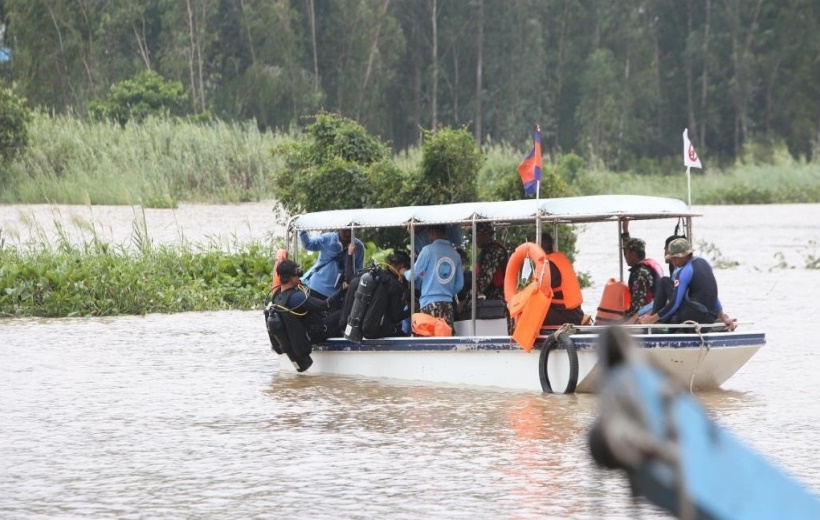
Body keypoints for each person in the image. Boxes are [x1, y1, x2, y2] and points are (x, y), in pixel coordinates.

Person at [638, 238, 736, 331]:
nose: (673, 262)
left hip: (693, 320)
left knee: (664, 281)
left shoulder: (685, 271)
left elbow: (675, 303)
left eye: (675, 258)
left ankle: (652, 323)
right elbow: (713, 294)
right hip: (709, 318)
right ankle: (662, 320)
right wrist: (723, 318)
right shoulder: (704, 263)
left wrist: (652, 319)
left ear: (683, 256)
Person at [404, 224, 464, 333]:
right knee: (445, 340)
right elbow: (459, 284)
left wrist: (404, 273)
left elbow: (412, 276)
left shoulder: (427, 250)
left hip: (429, 303)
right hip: (448, 304)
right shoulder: (455, 254)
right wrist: (447, 292)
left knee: (428, 342)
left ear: (431, 232)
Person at [270, 260, 344, 343]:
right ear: (291, 277)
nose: (299, 277)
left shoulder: (277, 296)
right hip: (315, 333)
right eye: (298, 274)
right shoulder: (297, 297)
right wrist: (342, 290)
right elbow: (325, 305)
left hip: (299, 335)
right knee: (344, 313)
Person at [299, 228, 364, 300]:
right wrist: (302, 230)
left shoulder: (359, 246)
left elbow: (358, 271)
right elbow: (308, 244)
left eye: (350, 231)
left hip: (337, 294)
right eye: (345, 230)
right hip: (316, 287)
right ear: (339, 228)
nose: (348, 234)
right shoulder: (328, 238)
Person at [620, 221, 664, 322]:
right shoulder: (645, 268)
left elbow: (638, 305)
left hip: (645, 316)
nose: (625, 256)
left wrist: (624, 318)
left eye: (626, 253)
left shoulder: (639, 274)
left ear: (634, 254)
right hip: (653, 310)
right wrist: (625, 230)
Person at [541, 232, 585, 326]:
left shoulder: (548, 265)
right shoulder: (560, 258)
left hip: (565, 317)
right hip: (577, 313)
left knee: (532, 310)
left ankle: (523, 339)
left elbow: (540, 292)